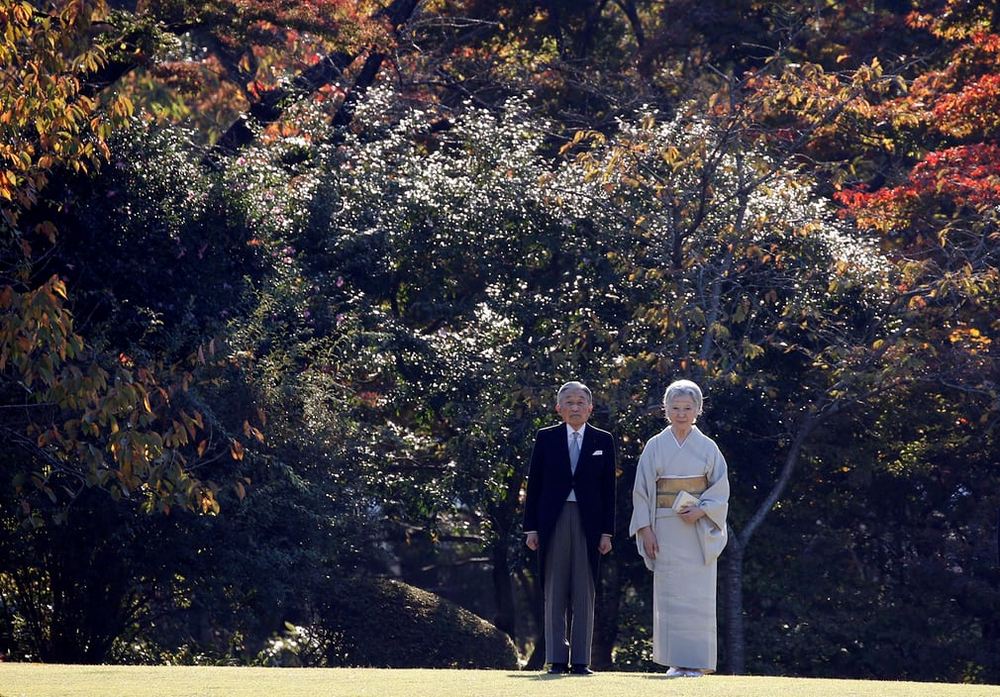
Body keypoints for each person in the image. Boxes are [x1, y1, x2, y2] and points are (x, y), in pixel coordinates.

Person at [629, 379, 730, 678]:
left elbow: (720, 489)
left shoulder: (708, 448)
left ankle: (696, 661)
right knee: (670, 594)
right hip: (665, 527)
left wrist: (702, 509)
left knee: (698, 596)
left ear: (698, 410)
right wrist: (645, 529)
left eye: (688, 408)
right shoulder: (655, 446)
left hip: (697, 528)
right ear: (666, 409)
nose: (681, 413)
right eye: (675, 408)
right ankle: (675, 661)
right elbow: (642, 491)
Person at [523, 381, 617, 675]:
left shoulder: (603, 440)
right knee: (554, 588)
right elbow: (534, 483)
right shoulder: (546, 438)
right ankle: (556, 659)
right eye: (569, 402)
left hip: (590, 523)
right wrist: (531, 529)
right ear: (558, 408)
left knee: (584, 590)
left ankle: (580, 661)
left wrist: (607, 532)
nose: (575, 407)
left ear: (590, 408)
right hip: (553, 519)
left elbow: (609, 490)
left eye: (580, 402)